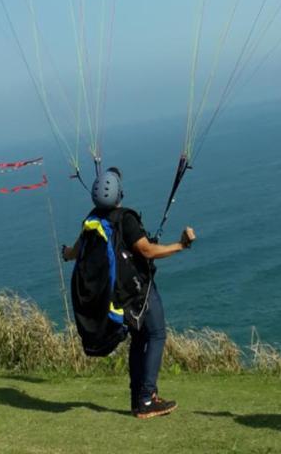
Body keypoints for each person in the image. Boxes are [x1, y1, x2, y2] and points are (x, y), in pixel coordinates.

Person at [62, 164, 196, 419]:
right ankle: (147, 398)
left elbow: (75, 252)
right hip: (138, 292)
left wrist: (65, 253)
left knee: (139, 339)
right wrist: (181, 245)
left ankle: (138, 399)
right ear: (120, 194)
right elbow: (146, 251)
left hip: (117, 297)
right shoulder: (126, 219)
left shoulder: (92, 220)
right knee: (156, 335)